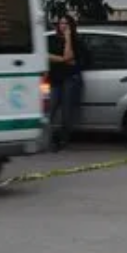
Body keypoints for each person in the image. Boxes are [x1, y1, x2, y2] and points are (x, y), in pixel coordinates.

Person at [46, 14, 86, 152]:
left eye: (66, 24)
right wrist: (64, 59)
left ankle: (63, 139)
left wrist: (68, 39)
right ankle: (48, 138)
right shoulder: (53, 40)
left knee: (67, 111)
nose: (63, 26)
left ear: (71, 26)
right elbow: (47, 56)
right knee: (49, 108)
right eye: (61, 23)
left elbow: (70, 56)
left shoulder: (77, 41)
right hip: (55, 79)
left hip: (70, 79)